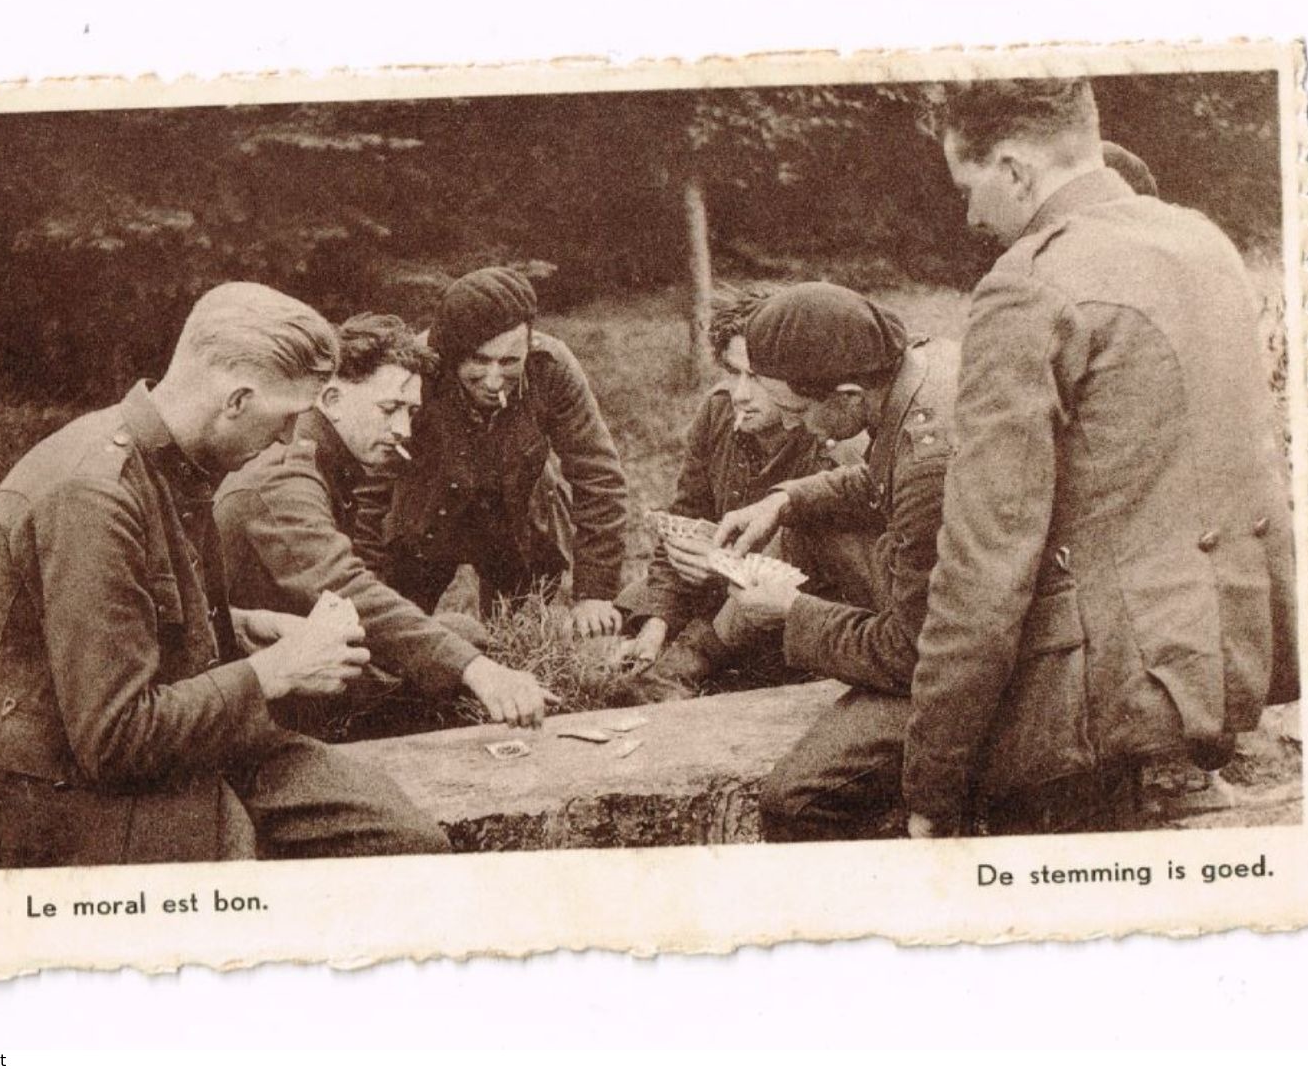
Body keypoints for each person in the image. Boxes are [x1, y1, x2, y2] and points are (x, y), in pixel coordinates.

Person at [897, 78, 1297, 839]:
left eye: (968, 184)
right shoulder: (1200, 242)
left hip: (1092, 718)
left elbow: (982, 565)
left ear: (1013, 169)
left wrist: (934, 782)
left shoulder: (1027, 287)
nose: (970, 214)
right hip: (1223, 671)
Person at [0, 282, 452, 868]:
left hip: (186, 742)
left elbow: (133, 621)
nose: (287, 438)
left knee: (408, 840)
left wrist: (240, 625)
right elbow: (113, 738)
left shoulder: (180, 465)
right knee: (244, 879)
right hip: (82, 789)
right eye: (285, 419)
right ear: (235, 401)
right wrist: (277, 670)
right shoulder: (92, 496)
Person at [215, 312, 557, 739]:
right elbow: (345, 586)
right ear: (333, 399)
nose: (402, 430)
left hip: (292, 651)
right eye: (389, 409)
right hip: (251, 682)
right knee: (460, 652)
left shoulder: (323, 459)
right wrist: (476, 670)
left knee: (460, 635)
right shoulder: (284, 474)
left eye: (410, 412)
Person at [707, 282, 960, 841]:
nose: (792, 422)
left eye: (797, 408)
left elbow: (910, 654)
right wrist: (785, 500)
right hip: (956, 633)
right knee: (806, 525)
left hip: (971, 675)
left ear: (847, 395)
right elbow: (875, 478)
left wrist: (791, 612)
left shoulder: (929, 463)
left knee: (793, 801)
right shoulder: (917, 370)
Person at [357, 267, 630, 639]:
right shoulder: (415, 371)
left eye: (509, 362)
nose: (493, 379)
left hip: (518, 523)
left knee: (516, 638)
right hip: (425, 520)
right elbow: (371, 486)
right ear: (450, 353)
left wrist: (595, 592)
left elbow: (598, 476)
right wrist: (368, 585)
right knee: (395, 637)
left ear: (529, 344)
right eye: (479, 361)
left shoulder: (552, 367)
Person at [613, 286, 855, 703]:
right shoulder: (720, 410)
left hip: (795, 605)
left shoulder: (837, 442)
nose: (741, 394)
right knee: (628, 614)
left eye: (757, 378)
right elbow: (687, 515)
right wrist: (656, 626)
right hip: (713, 587)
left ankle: (691, 658)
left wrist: (724, 566)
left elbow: (823, 571)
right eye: (733, 371)